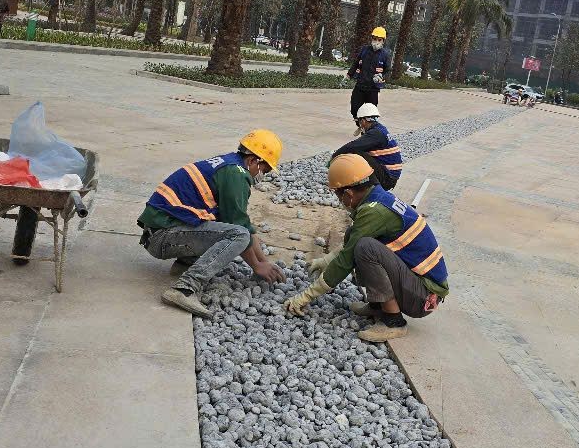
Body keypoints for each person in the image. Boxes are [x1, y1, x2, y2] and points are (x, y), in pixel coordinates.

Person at [284, 154, 448, 343]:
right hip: (418, 286)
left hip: (423, 297)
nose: (339, 199)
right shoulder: (377, 197)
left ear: (348, 193)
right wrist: (325, 261)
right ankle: (378, 306)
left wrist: (306, 296)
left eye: (338, 194)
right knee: (358, 238)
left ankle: (393, 322)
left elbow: (346, 260)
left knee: (366, 248)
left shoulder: (374, 211)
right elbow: (351, 243)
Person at [138, 129, 286, 315]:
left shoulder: (229, 164)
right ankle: (184, 289)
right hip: (162, 237)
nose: (262, 174)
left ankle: (186, 261)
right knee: (237, 236)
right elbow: (240, 231)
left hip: (160, 233)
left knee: (232, 229)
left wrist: (264, 263)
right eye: (264, 169)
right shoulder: (237, 175)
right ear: (253, 160)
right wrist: (257, 265)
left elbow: (244, 224)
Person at [330, 102, 403, 190]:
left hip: (387, 179)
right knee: (360, 150)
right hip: (389, 176)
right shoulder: (379, 129)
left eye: (359, 122)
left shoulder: (375, 133)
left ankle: (359, 185)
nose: (360, 125)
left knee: (356, 152)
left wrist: (334, 157)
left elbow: (352, 146)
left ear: (363, 120)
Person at [346, 26, 391, 116]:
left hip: (373, 89)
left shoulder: (385, 55)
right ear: (371, 39)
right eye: (375, 39)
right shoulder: (364, 50)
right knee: (354, 109)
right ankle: (360, 126)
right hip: (360, 85)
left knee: (370, 113)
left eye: (379, 40)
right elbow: (356, 63)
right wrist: (349, 74)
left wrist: (382, 77)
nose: (376, 42)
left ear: (383, 41)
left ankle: (368, 129)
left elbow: (388, 71)